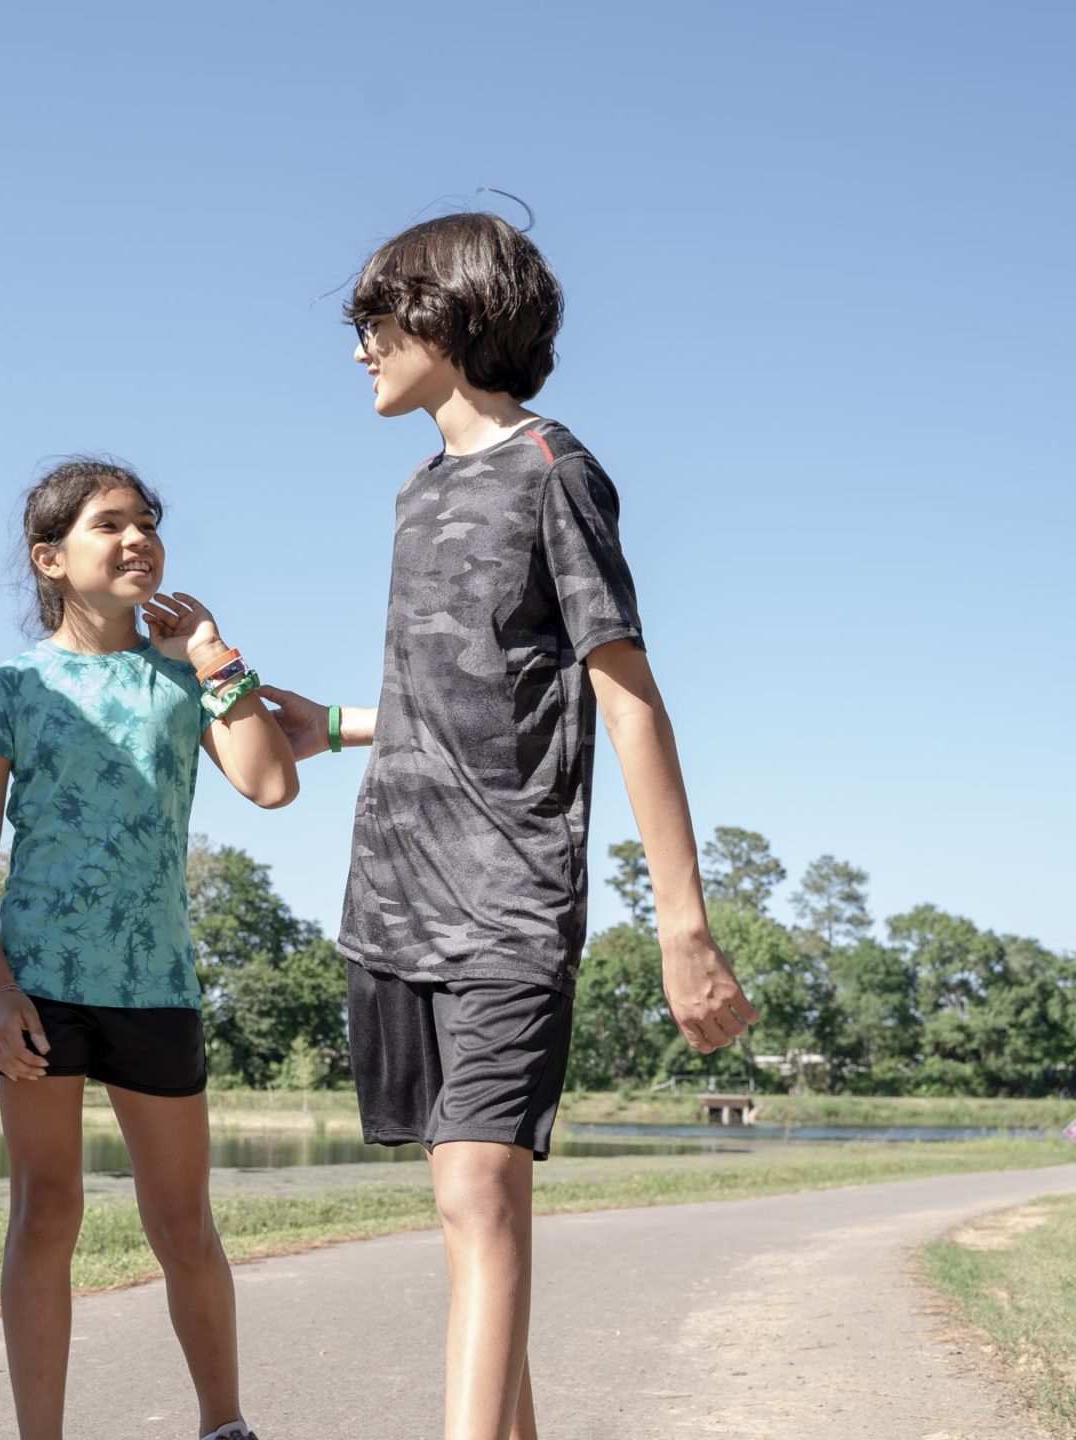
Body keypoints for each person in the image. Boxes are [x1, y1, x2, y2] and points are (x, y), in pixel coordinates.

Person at [255, 212, 759, 1440]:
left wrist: (681, 929)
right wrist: (328, 721)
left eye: (374, 320)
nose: (360, 348)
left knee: (480, 1191)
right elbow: (464, 683)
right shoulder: (417, 491)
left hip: (509, 901)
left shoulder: (554, 473)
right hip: (391, 896)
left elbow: (624, 696)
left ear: (444, 315)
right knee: (461, 1204)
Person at [0, 458, 297, 1440]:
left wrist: (214, 656)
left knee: (183, 1226)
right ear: (50, 558)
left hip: (156, 989)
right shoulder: (12, 686)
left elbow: (270, 783)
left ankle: (224, 1425)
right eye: (111, 524)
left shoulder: (184, 680)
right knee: (46, 1211)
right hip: (39, 992)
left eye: (147, 521)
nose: (138, 537)